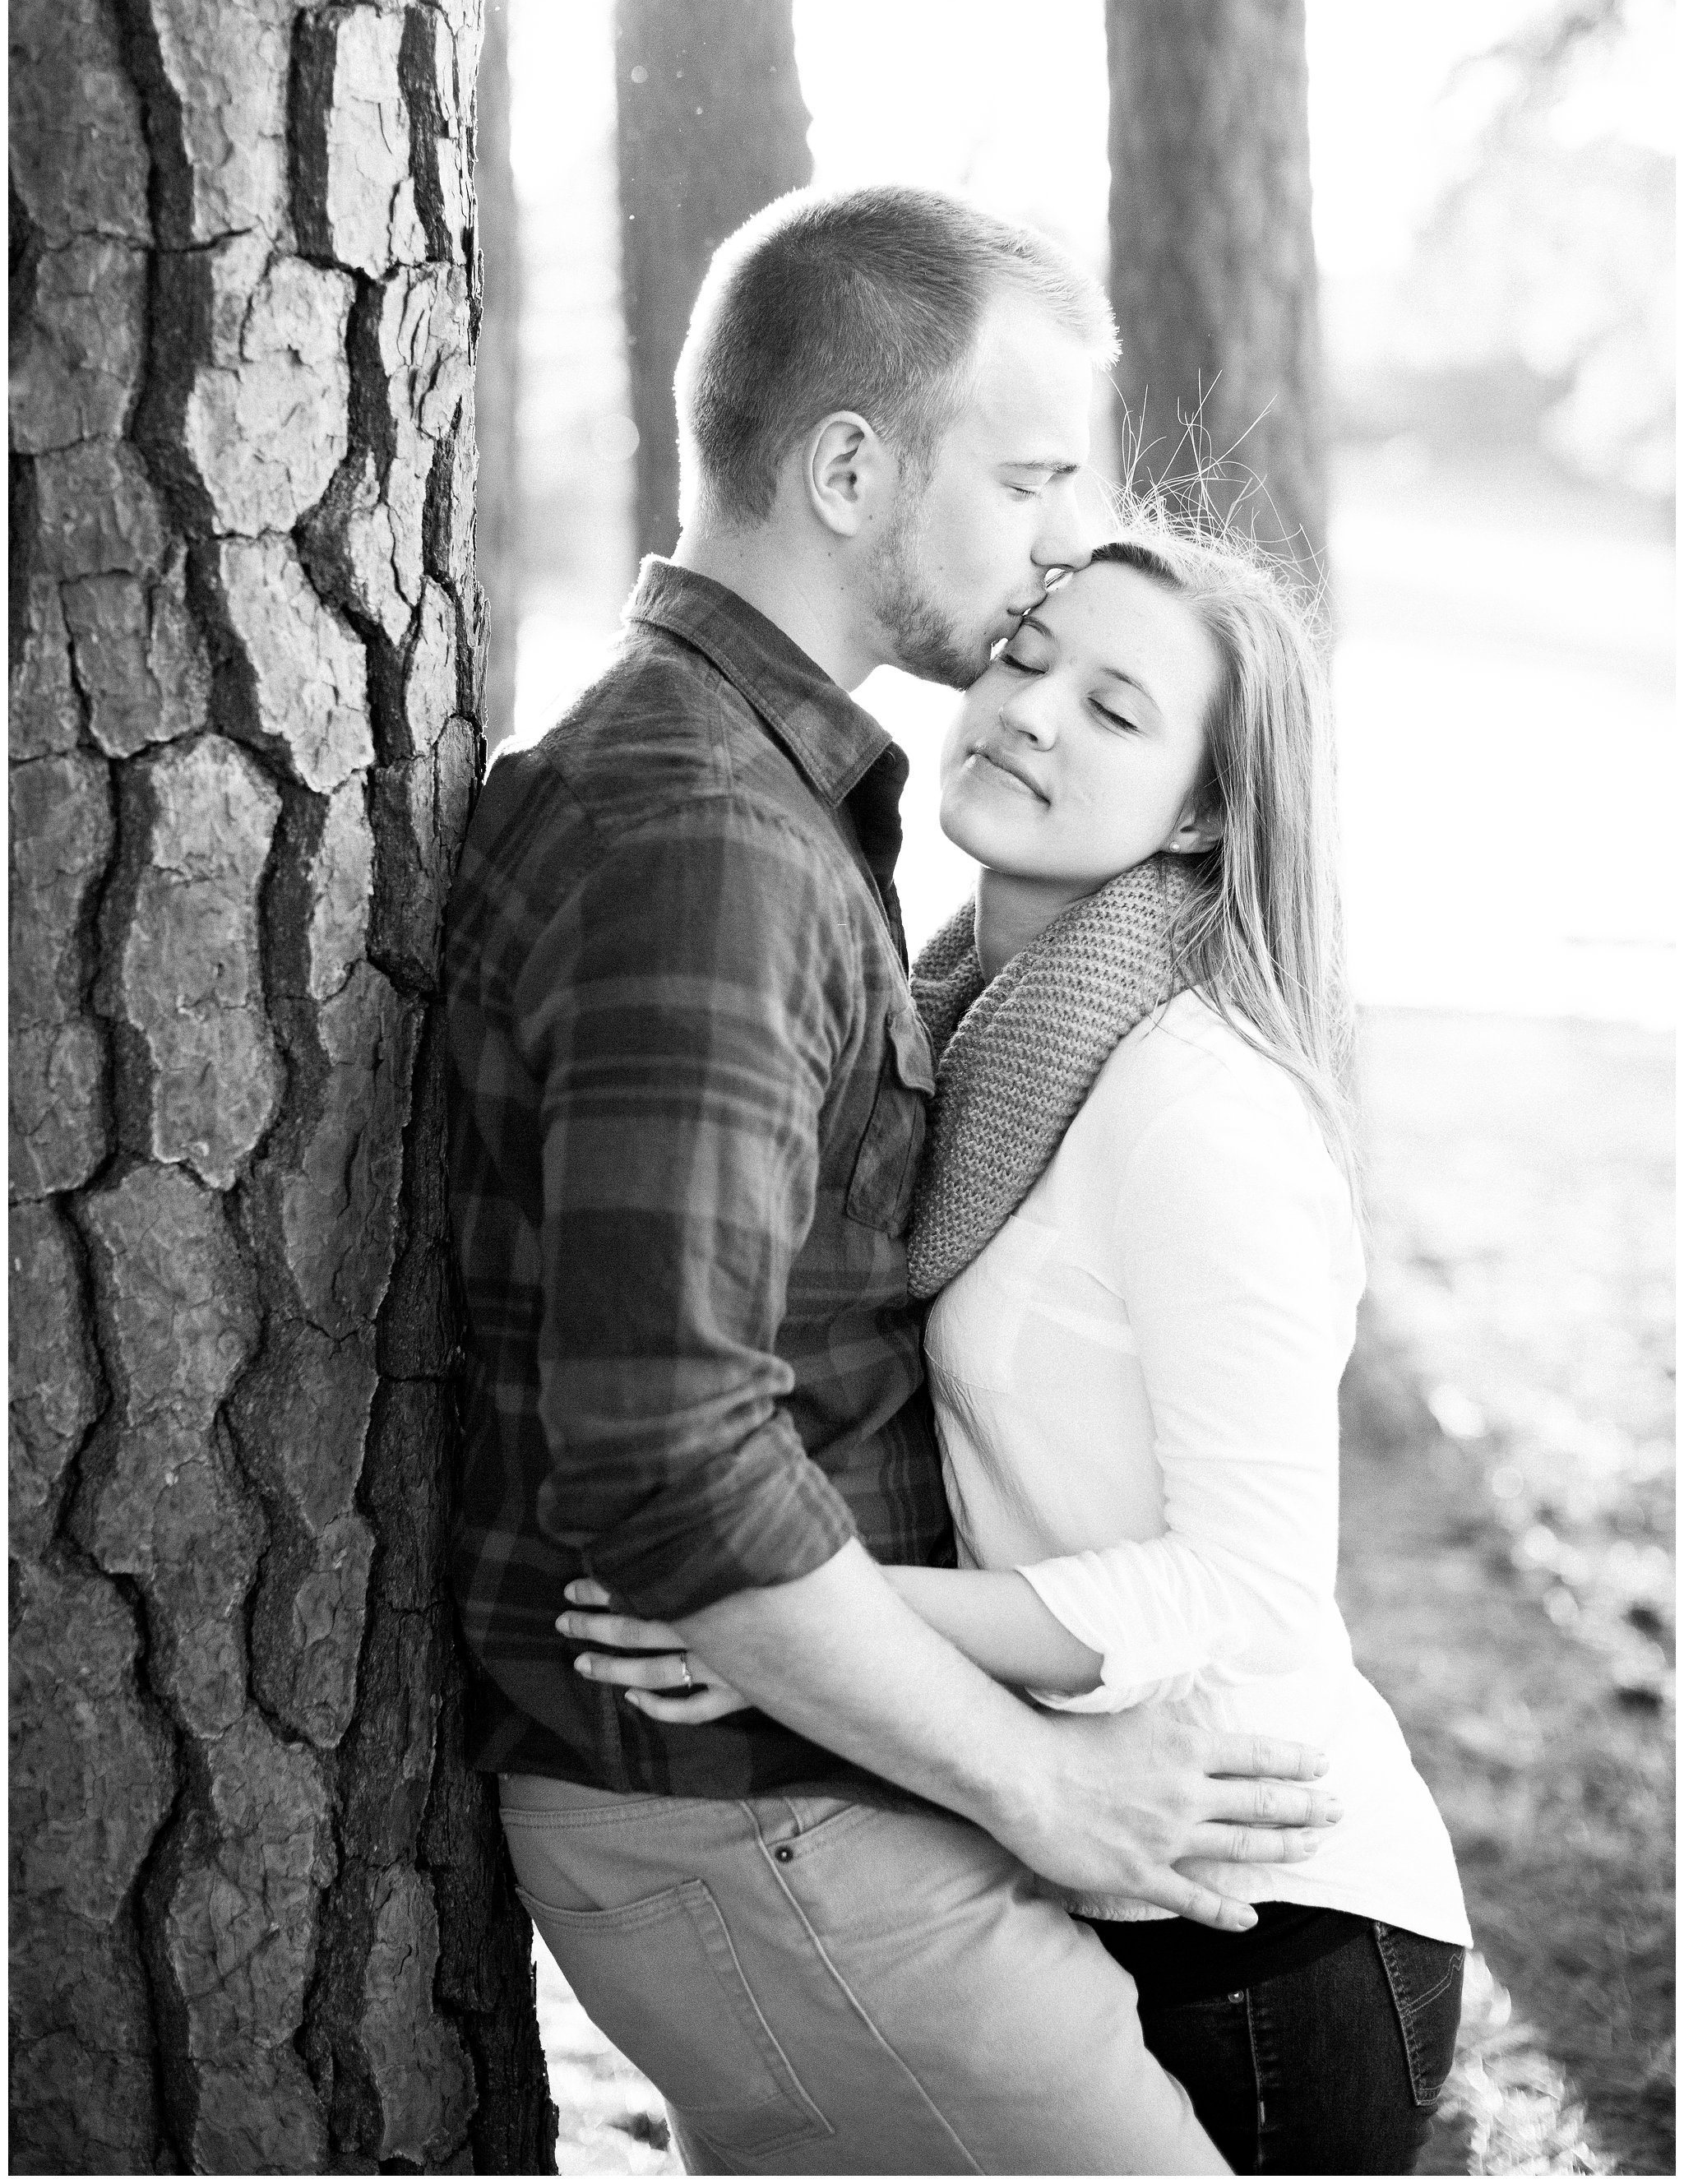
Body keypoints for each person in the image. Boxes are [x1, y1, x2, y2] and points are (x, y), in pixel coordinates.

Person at [446, 186, 1340, 2176]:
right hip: (742, 1795)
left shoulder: (768, 806)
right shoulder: (707, 835)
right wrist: (1039, 1784)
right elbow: (674, 1464)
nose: (1061, 535)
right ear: (849, 465)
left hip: (792, 1761)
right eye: (1028, 474)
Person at [576, 519, 1472, 2173]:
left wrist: (787, 1620)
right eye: (1026, 653)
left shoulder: (1197, 1102)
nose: (1030, 709)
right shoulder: (963, 1024)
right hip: (1092, 1861)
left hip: (1267, 1921)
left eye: (1117, 710)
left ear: (1205, 807)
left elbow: (1244, 1582)